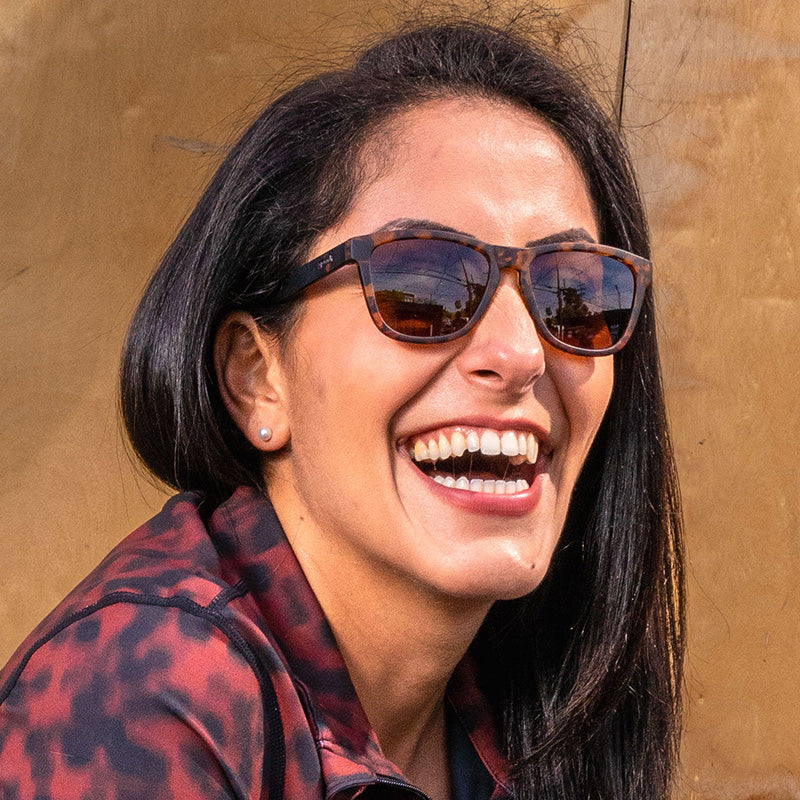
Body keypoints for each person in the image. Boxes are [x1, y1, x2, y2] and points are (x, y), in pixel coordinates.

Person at [0, 18, 684, 800]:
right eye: (423, 284)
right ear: (258, 377)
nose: (523, 352)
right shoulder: (139, 701)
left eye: (573, 293)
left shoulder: (523, 693)